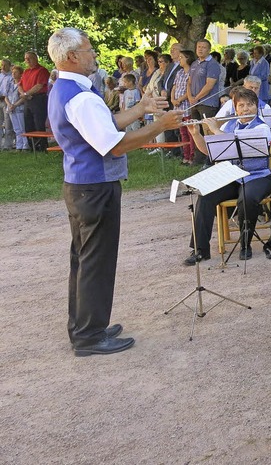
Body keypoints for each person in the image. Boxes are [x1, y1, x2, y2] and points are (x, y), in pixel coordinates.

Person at [46, 27, 183, 357]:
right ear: (72, 57)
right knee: (96, 261)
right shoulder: (80, 97)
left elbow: (104, 126)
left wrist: (140, 110)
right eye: (89, 50)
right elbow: (114, 146)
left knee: (84, 258)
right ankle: (90, 335)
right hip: (95, 187)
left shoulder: (65, 89)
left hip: (81, 185)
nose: (95, 54)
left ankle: (85, 326)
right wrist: (158, 127)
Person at [184, 88, 271, 263]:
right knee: (206, 194)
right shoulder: (228, 126)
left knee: (246, 197)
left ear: (257, 107)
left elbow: (233, 140)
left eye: (250, 105)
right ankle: (200, 249)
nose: (246, 109)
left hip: (258, 176)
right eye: (241, 105)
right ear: (235, 109)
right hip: (234, 178)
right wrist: (196, 134)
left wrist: (214, 129)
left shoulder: (262, 127)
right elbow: (210, 152)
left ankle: (245, 244)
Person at [188, 39, 223, 164]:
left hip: (207, 103)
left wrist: (196, 97)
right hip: (195, 103)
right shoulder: (194, 64)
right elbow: (189, 82)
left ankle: (210, 160)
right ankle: (199, 159)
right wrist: (190, 97)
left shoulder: (212, 64)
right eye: (198, 47)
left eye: (203, 47)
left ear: (209, 50)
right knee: (196, 131)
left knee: (207, 131)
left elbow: (209, 85)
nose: (200, 49)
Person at [20, 50, 50, 150]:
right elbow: (20, 85)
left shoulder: (42, 70)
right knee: (28, 123)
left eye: (29, 58)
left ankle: (42, 146)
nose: (27, 60)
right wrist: (24, 94)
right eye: (26, 58)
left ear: (35, 58)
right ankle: (32, 146)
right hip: (28, 100)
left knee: (39, 123)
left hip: (38, 99)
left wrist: (26, 94)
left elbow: (39, 85)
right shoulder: (26, 71)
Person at [171, 49, 197, 166]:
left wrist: (180, 99)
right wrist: (173, 99)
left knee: (190, 132)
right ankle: (185, 156)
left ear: (188, 58)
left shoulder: (192, 72)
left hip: (186, 105)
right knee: (183, 133)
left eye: (181, 57)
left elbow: (189, 89)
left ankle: (192, 156)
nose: (179, 59)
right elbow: (174, 87)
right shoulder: (179, 72)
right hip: (177, 106)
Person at [5, 65, 28, 151]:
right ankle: (19, 146)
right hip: (11, 109)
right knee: (16, 128)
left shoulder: (22, 84)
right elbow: (5, 96)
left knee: (22, 127)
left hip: (19, 108)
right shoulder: (10, 84)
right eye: (12, 72)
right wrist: (9, 105)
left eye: (16, 72)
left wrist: (15, 105)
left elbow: (23, 97)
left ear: (20, 74)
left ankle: (25, 145)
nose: (13, 74)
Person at [0, 58, 14, 150]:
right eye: (2, 65)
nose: (3, 67)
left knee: (8, 123)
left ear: (9, 65)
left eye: (5, 65)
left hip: (6, 101)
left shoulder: (12, 77)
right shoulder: (0, 75)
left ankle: (8, 145)